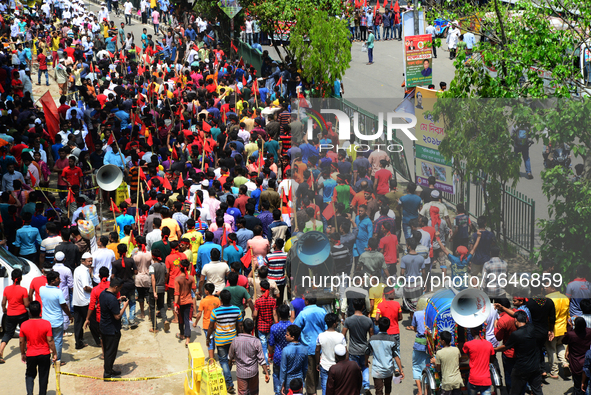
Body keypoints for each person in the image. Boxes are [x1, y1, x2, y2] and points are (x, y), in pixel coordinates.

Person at [208, 289, 244, 394]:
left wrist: (208, 338)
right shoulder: (237, 310)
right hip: (233, 339)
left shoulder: (216, 311)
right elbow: (240, 326)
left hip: (220, 340)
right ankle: (227, 377)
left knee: (223, 361)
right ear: (230, 298)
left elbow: (211, 327)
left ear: (221, 299)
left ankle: (229, 383)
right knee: (230, 359)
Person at [19, 301, 57, 395]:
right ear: (40, 311)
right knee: (43, 377)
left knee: (30, 375)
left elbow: (21, 341)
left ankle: (30, 393)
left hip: (31, 354)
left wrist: (23, 353)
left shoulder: (24, 325)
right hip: (44, 354)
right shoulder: (46, 324)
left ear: (30, 312)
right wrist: (55, 353)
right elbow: (50, 340)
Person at [503, 310, 544, 395]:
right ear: (526, 320)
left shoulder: (516, 334)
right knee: (537, 391)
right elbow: (516, 315)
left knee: (515, 391)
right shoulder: (531, 328)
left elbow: (505, 347)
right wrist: (503, 307)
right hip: (535, 366)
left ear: (515, 321)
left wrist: (494, 349)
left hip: (521, 368)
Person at [294, 295, 328, 395]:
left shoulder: (303, 313)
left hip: (307, 346)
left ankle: (311, 392)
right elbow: (326, 326)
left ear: (307, 301)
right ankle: (315, 387)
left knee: (309, 371)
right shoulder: (322, 311)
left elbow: (296, 327)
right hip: (321, 346)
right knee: (318, 368)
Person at [228, 318, 271, 394]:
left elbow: (230, 356)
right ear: (252, 329)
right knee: (254, 392)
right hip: (253, 373)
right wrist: (266, 372)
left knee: (242, 392)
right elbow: (261, 359)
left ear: (243, 327)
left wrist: (228, 367)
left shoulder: (235, 341)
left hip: (241, 374)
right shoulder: (256, 341)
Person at [40, 271, 73, 365]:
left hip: (45, 321)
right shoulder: (58, 291)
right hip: (57, 321)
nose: (60, 280)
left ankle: (47, 359)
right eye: (58, 278)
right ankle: (57, 360)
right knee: (57, 341)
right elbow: (64, 306)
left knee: (47, 341)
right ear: (53, 281)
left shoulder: (42, 289)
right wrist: (70, 316)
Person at [99, 277, 130, 378]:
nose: (120, 290)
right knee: (110, 352)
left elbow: (109, 305)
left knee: (108, 351)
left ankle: (109, 369)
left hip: (104, 327)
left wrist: (118, 300)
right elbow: (117, 316)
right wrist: (125, 306)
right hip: (112, 330)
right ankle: (107, 373)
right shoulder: (111, 298)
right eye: (119, 288)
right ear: (116, 287)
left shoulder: (103, 294)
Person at [365, 317, 405, 395]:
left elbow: (367, 352)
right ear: (388, 326)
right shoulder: (392, 340)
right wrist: (401, 370)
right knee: (388, 388)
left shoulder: (372, 339)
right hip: (388, 370)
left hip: (377, 371)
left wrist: (365, 362)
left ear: (378, 326)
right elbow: (396, 356)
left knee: (378, 390)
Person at [342, 298, 373, 394]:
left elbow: (342, 335)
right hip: (364, 349)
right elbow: (371, 336)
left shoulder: (348, 320)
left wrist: (345, 349)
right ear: (363, 306)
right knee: (365, 366)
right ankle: (366, 385)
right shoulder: (368, 320)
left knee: (354, 370)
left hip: (352, 350)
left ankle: (356, 387)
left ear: (353, 306)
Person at [0, 269, 30, 363]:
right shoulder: (23, 290)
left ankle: (0, 352)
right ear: (20, 278)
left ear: (12, 278)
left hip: (10, 315)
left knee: (8, 334)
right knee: (25, 333)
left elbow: (3, 302)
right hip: (22, 314)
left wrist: (4, 309)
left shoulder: (7, 289)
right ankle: (26, 351)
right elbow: (26, 304)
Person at [316, 313, 347, 395]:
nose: (337, 323)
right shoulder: (341, 336)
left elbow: (317, 351)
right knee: (338, 388)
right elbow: (345, 352)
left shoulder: (320, 336)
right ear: (334, 323)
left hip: (324, 365)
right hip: (338, 367)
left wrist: (317, 363)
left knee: (325, 387)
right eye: (337, 322)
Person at [462, 325, 495, 395]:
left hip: (473, 379)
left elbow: (465, 353)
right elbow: (492, 360)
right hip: (486, 379)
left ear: (473, 331)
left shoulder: (468, 344)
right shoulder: (489, 344)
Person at [268, 304, 292, 395]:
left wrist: (270, 355)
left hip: (278, 356)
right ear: (289, 313)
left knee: (276, 375)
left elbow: (271, 344)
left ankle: (278, 392)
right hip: (290, 356)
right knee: (288, 376)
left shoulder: (274, 327)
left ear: (279, 314)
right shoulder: (292, 326)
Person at [563, 317, 591, 395]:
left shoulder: (571, 334)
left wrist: (570, 328)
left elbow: (564, 341)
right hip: (586, 361)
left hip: (576, 363)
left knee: (577, 385)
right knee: (586, 384)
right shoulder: (589, 332)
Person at [431, 331, 463, 395]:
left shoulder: (439, 353)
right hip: (457, 380)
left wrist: (434, 362)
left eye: (440, 339)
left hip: (447, 382)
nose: (440, 341)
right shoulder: (456, 350)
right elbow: (459, 361)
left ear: (443, 341)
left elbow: (438, 368)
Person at [72, 253, 93, 350]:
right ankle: (99, 340)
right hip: (85, 301)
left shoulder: (77, 269)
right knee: (92, 322)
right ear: (83, 261)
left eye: (91, 261)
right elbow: (86, 287)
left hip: (77, 301)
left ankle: (78, 342)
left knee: (78, 323)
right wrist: (95, 290)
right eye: (89, 261)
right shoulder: (84, 271)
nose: (90, 263)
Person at [253, 280, 277, 365]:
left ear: (261, 289)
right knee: (270, 343)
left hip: (261, 327)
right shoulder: (273, 301)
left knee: (263, 346)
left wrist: (253, 317)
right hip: (270, 326)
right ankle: (270, 357)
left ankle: (266, 363)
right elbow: (274, 314)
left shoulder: (258, 301)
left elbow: (255, 314)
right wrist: (276, 323)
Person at [174, 259, 196, 347]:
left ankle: (182, 334)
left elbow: (177, 293)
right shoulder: (191, 278)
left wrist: (175, 304)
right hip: (189, 301)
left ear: (180, 267)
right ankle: (188, 339)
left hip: (180, 302)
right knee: (187, 319)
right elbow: (194, 288)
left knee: (181, 319)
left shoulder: (177, 279)